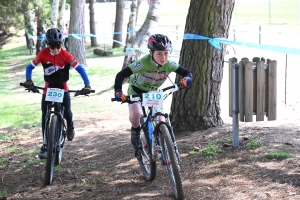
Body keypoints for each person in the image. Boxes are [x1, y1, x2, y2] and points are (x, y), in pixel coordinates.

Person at [114, 34, 193, 157]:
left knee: (161, 120)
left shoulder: (169, 64)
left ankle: (164, 145)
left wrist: (187, 79)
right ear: (151, 52)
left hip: (153, 93)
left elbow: (187, 72)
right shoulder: (142, 63)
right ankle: (135, 132)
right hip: (136, 91)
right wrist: (118, 92)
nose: (163, 57)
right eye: (159, 54)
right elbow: (121, 75)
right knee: (136, 115)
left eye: (166, 53)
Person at [23, 28, 92, 159]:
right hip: (48, 88)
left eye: (58, 46)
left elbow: (81, 69)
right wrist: (28, 80)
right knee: (45, 116)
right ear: (47, 45)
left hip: (62, 87)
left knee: (67, 112)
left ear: (62, 44)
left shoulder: (66, 55)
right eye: (52, 46)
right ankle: (45, 144)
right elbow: (29, 67)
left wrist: (87, 85)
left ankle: (70, 126)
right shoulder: (43, 54)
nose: (55, 49)